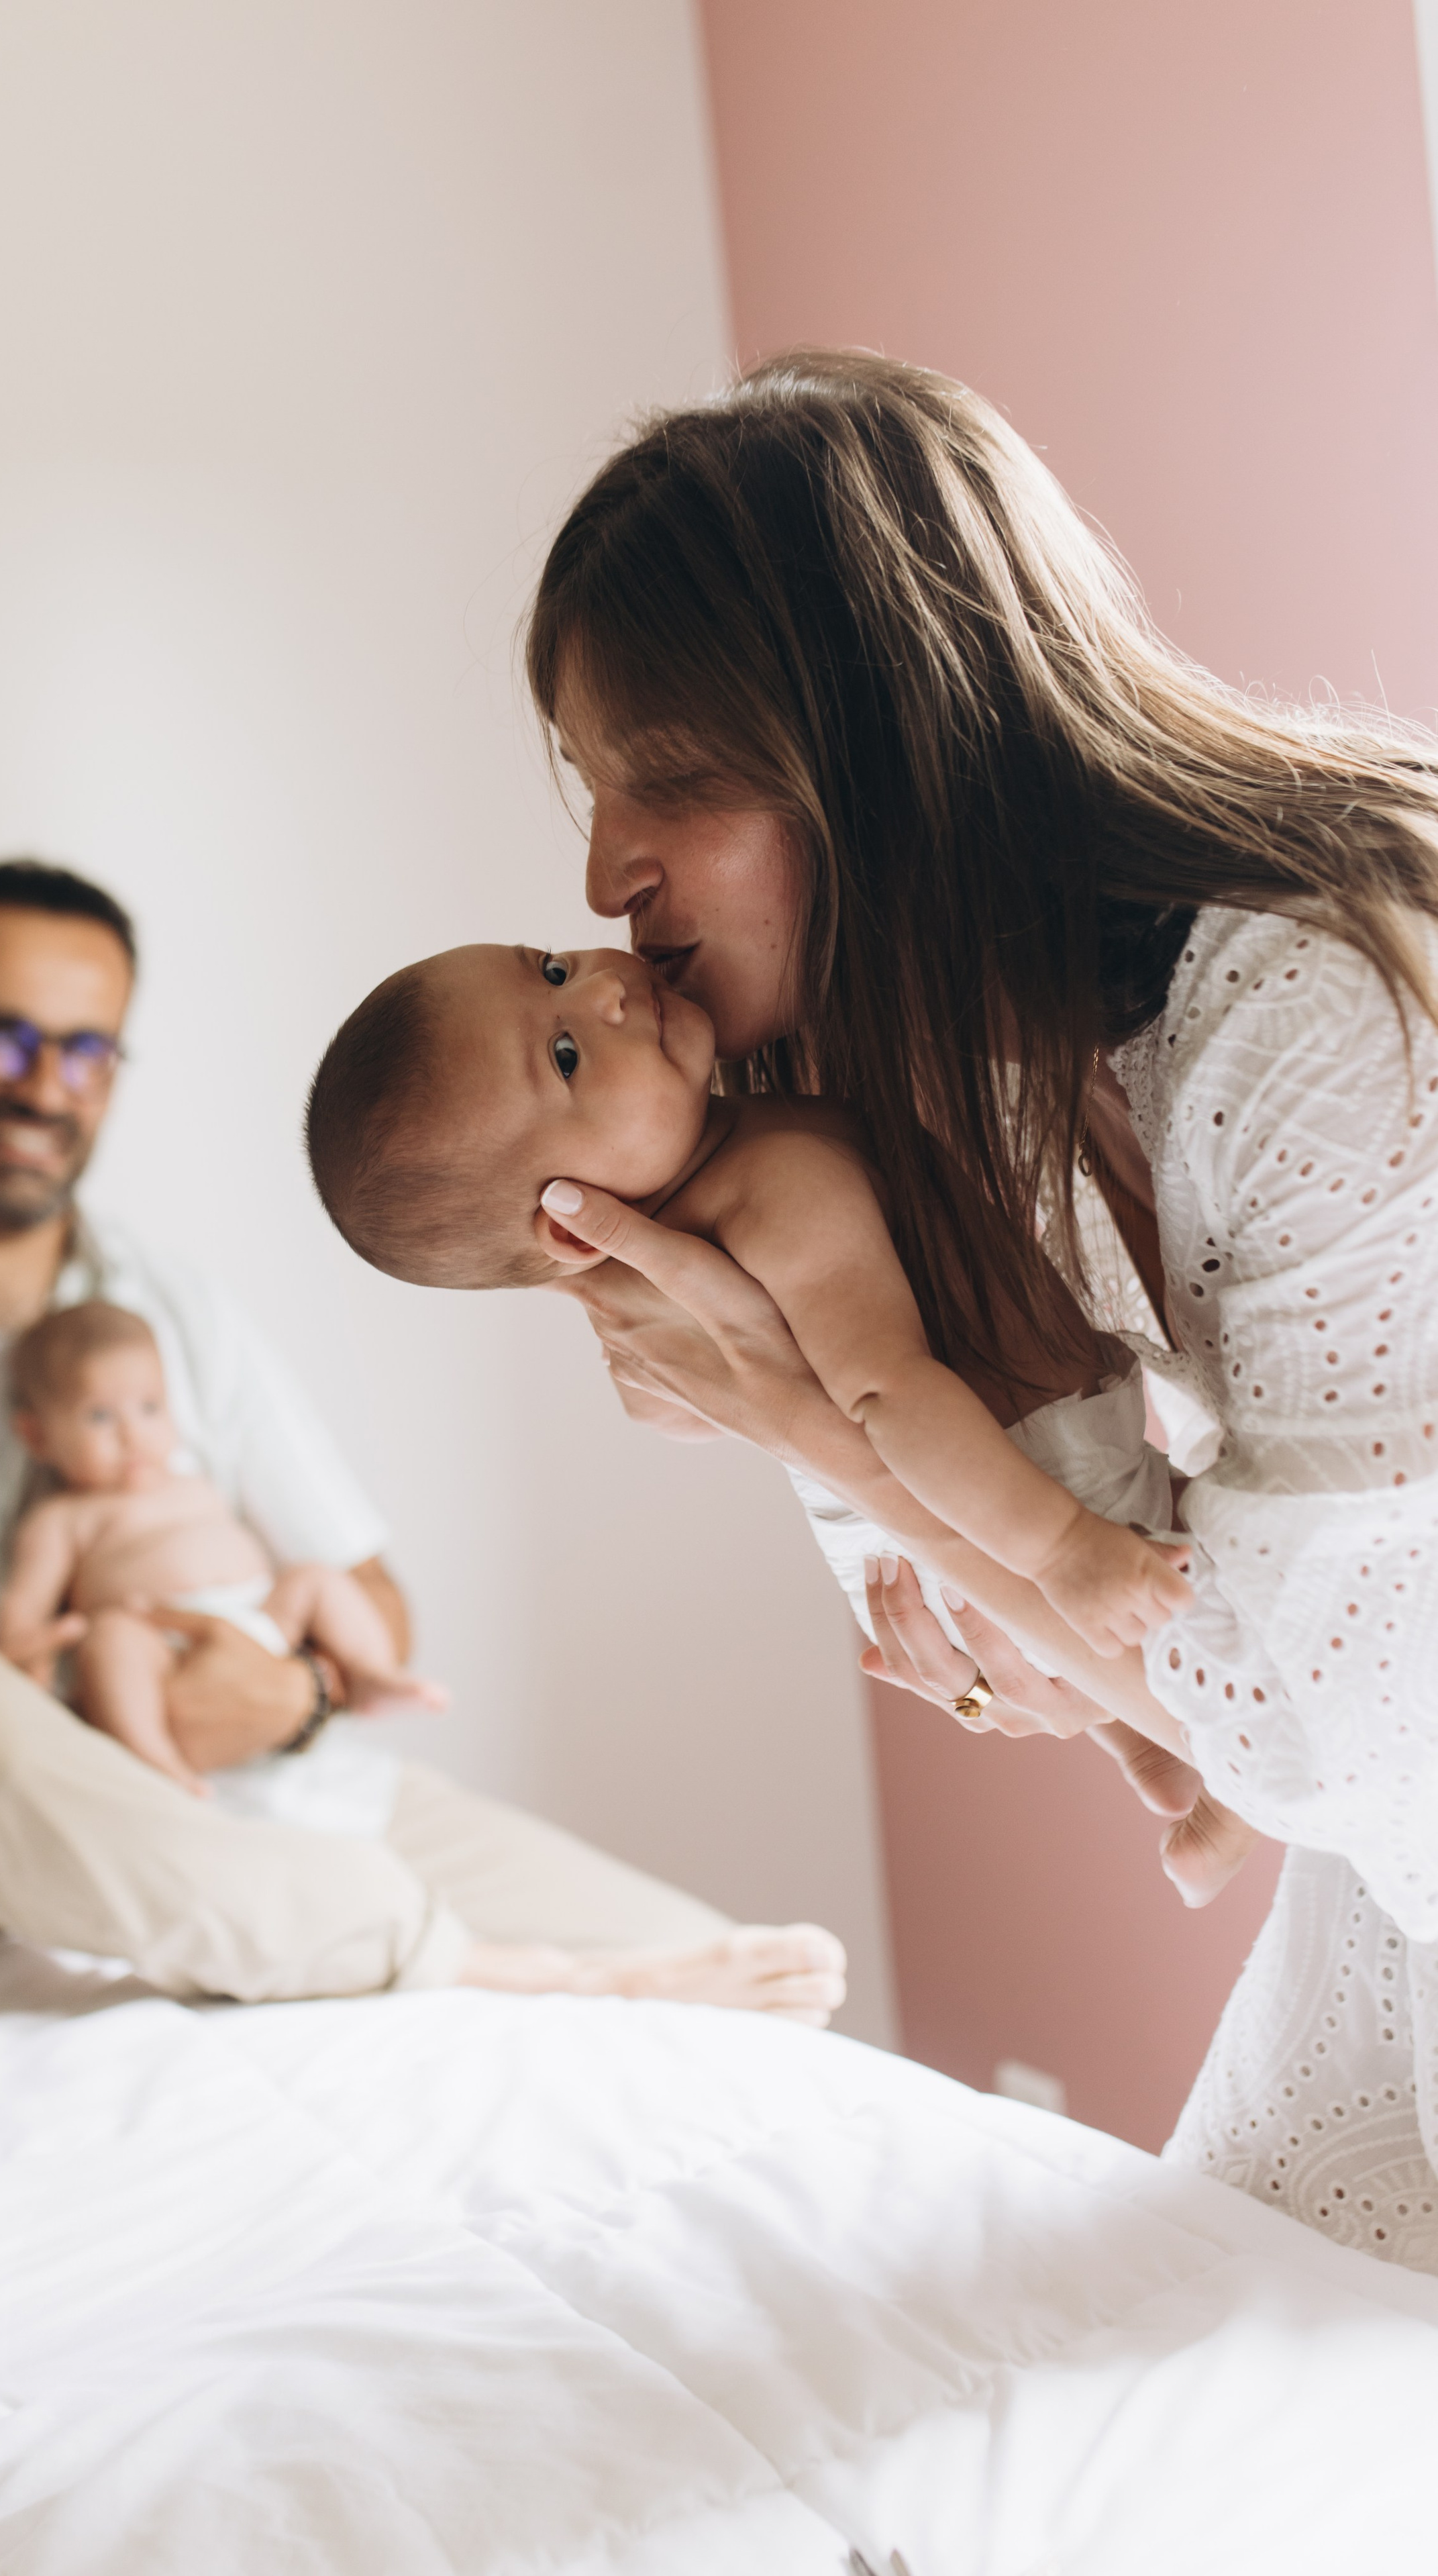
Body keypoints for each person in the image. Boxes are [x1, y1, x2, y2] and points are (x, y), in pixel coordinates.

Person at [512, 346, 1438, 2267]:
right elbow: (993, 1629)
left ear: (883, 745)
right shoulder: (974, 1090)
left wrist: (800, 1402)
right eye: (591, 788)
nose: (607, 872)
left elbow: (1302, 1714)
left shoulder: (1316, 1007)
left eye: (667, 779)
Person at [0, 857, 846, 2024]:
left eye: (85, 1049)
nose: (44, 1086)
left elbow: (368, 1594)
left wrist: (290, 1696)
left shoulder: (178, 1313)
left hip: (245, 1792)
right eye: (1, 1039)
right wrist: (39, 1728)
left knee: (727, 1974)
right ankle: (422, 1948)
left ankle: (363, 1923)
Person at [305, 938, 1192, 1655]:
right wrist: (1062, 1547)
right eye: (567, 1057)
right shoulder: (775, 1184)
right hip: (1019, 1486)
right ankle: (1165, 1754)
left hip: (933, 1522)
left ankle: (1150, 1759)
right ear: (574, 1225)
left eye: (551, 970)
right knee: (1187, 1617)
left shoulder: (714, 1190)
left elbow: (675, 1410)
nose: (602, 992)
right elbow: (887, 1394)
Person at [0, 1298, 446, 1798]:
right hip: (160, 1651)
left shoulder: (197, 1481)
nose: (133, 1435)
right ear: (37, 1436)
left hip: (261, 1626)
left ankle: (370, 1674)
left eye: (150, 1407)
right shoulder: (62, 1519)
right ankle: (156, 1760)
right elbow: (24, 1614)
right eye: (100, 1416)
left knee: (316, 1579)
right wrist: (26, 1647)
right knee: (110, 1640)